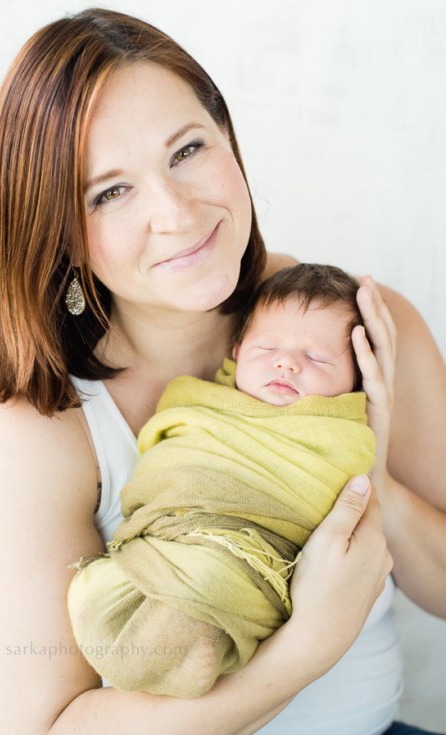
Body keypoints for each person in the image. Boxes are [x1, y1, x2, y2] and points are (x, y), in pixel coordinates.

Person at [0, 8, 446, 735]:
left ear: (227, 135)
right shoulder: (43, 420)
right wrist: (304, 648)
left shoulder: (356, 330)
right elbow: (41, 725)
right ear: (60, 231)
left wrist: (369, 477)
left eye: (187, 149)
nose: (177, 212)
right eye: (110, 191)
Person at [68, 264, 376, 698]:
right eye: (268, 347)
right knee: (98, 593)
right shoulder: (202, 402)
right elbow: (170, 454)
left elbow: (330, 482)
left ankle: (195, 638)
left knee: (213, 583)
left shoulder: (340, 434)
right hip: (175, 535)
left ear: (356, 380)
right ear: (236, 351)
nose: (287, 362)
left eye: (317, 357)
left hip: (249, 556)